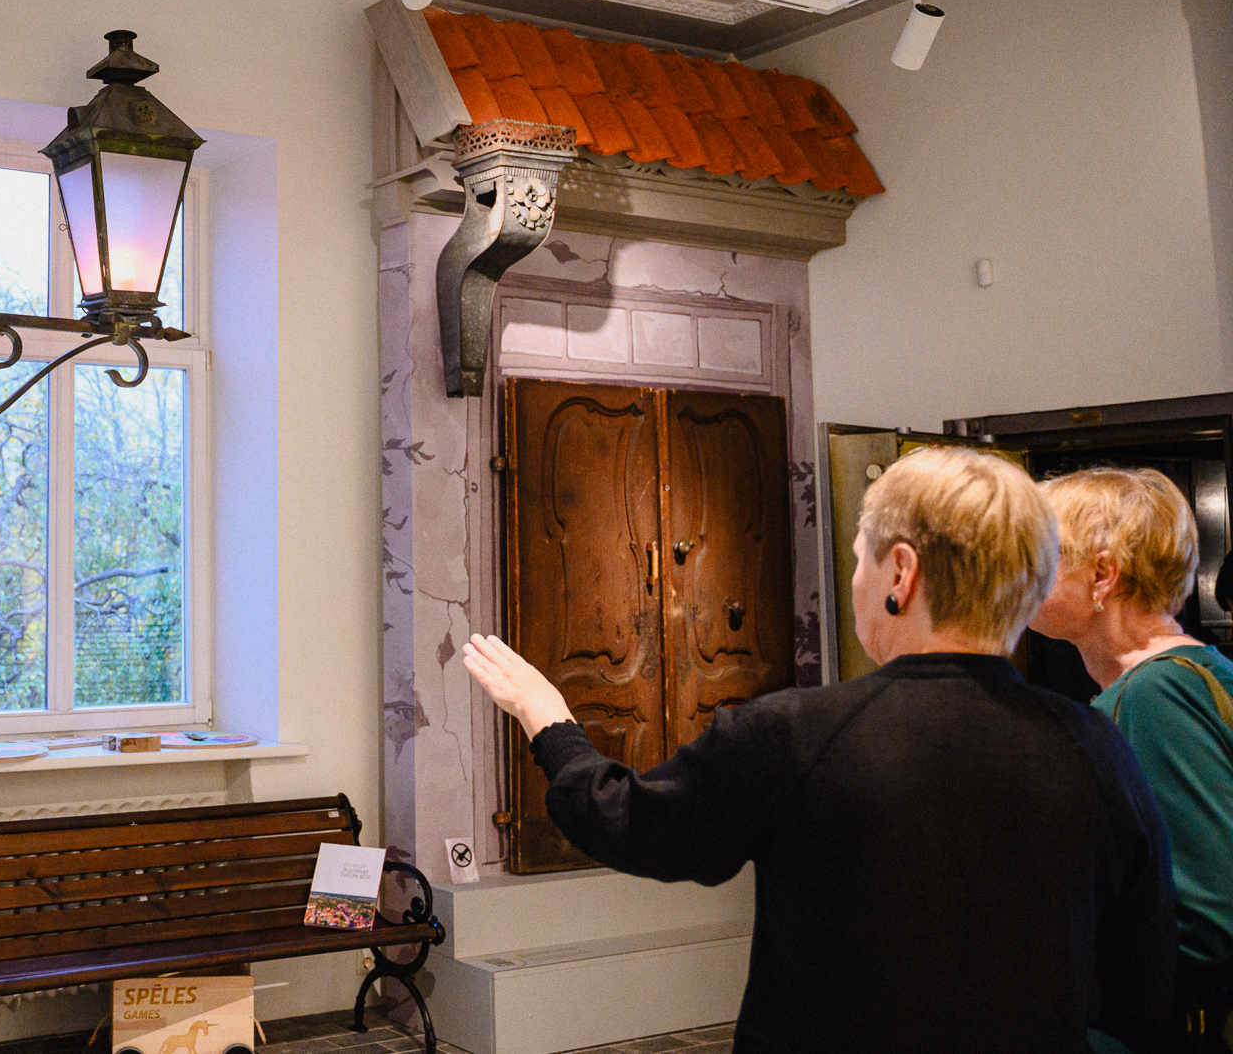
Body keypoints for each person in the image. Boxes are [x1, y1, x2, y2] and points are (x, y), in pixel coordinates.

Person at [463, 446, 1176, 1054]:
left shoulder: (797, 733)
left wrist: (546, 716)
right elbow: (1142, 982)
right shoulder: (1096, 746)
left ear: (902, 574)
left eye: (860, 557)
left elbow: (631, 822)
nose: (856, 576)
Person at [1032, 468, 1233, 1052]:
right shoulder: (1183, 677)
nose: (1014, 572)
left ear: (1102, 575)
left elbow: (1210, 922)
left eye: (1037, 554)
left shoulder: (1155, 694)